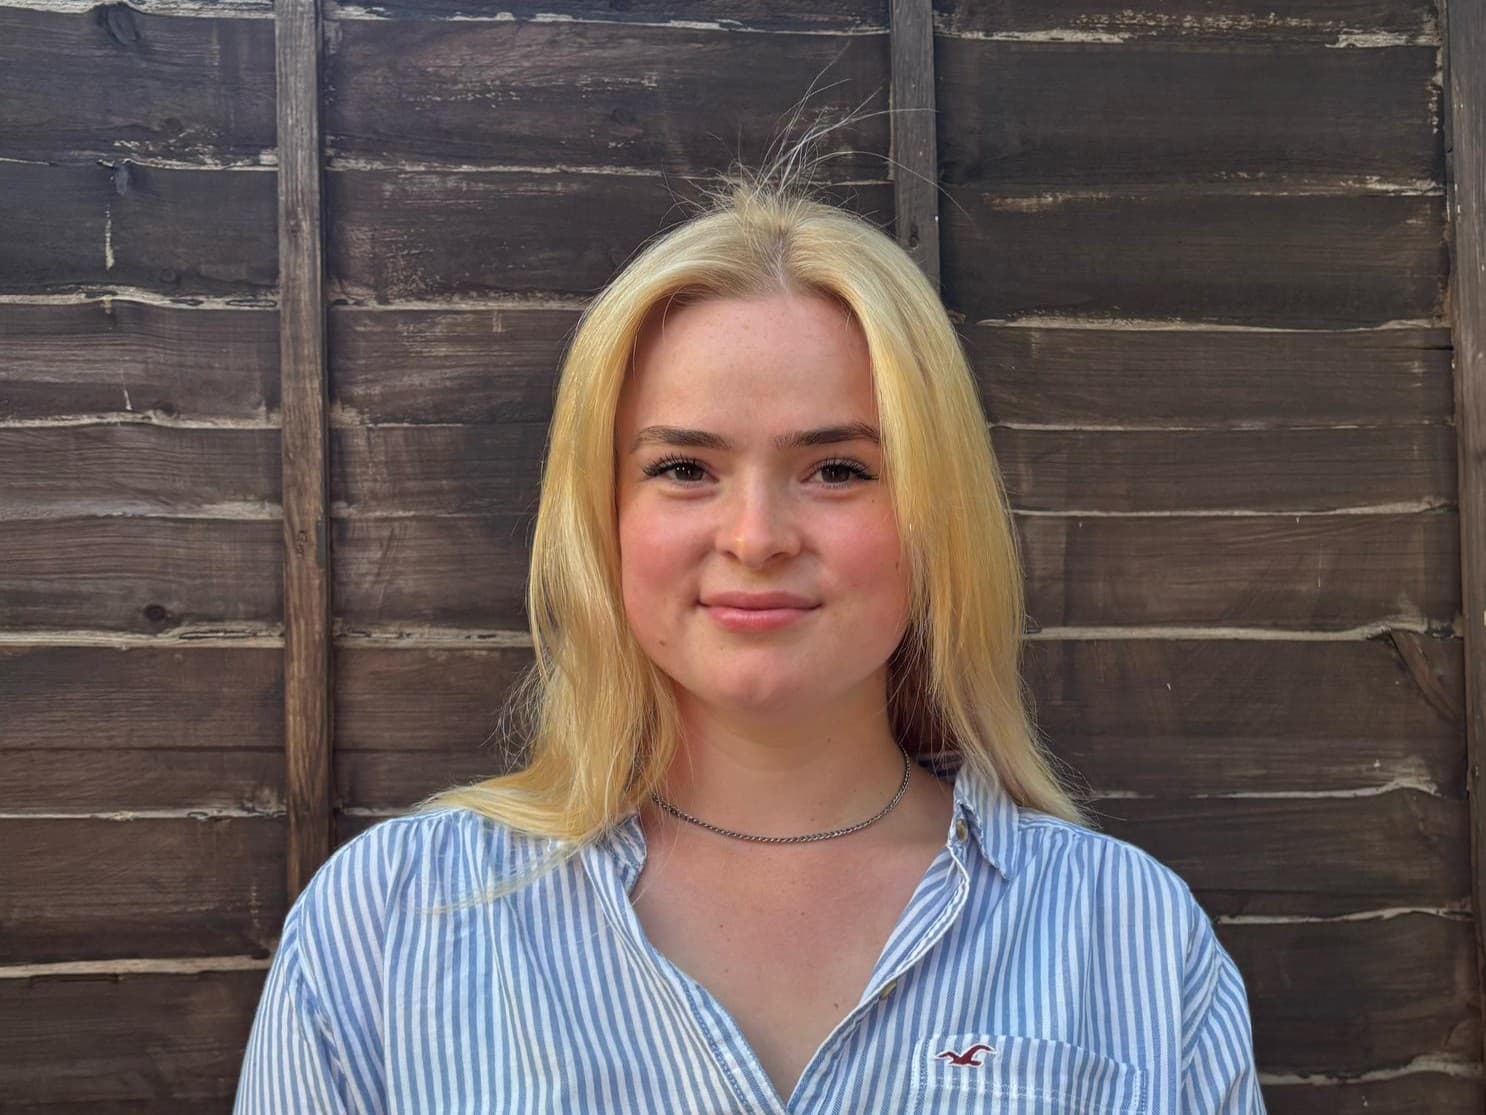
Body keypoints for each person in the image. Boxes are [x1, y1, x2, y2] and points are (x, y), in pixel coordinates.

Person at [233, 135, 1265, 1114]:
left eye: (839, 469)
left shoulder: (1128, 932)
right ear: (603, 513)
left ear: (933, 513)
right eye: (684, 468)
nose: (758, 535)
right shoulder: (389, 922)